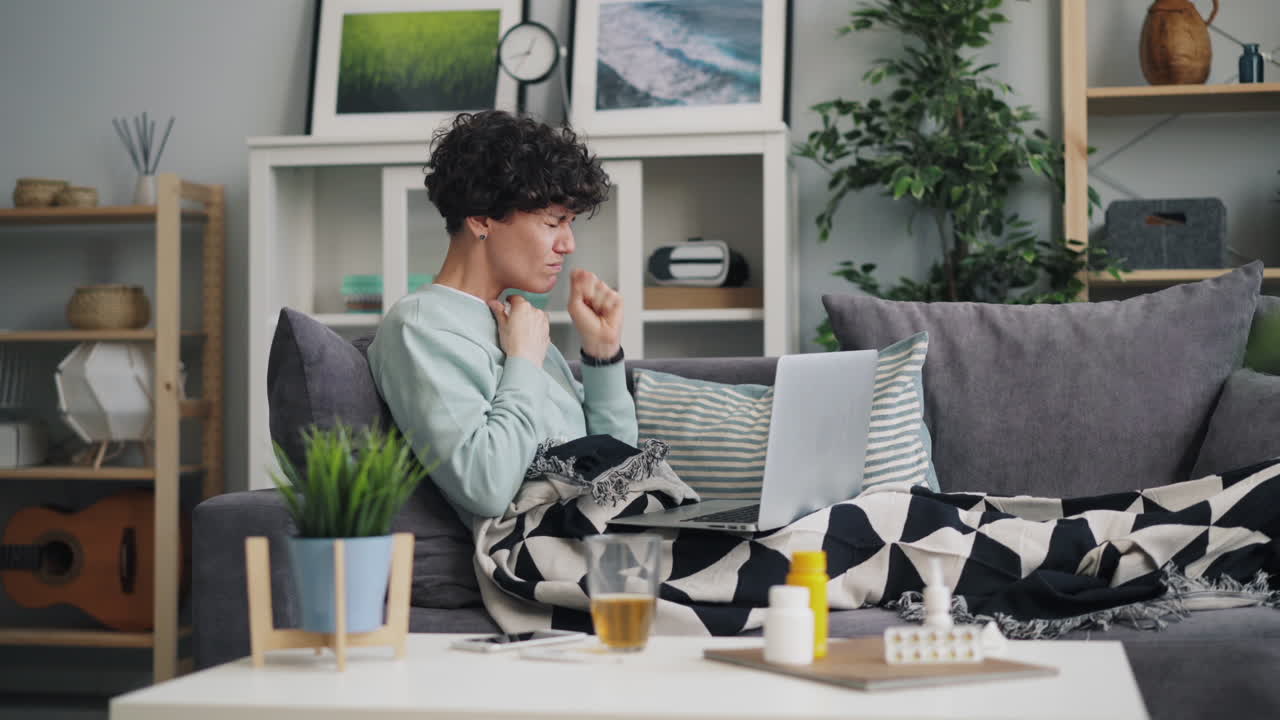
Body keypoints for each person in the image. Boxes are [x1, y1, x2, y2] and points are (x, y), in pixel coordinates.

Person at [368, 111, 637, 524]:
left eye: (570, 222)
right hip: (548, 557)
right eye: (553, 222)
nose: (568, 243)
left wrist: (602, 356)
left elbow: (615, 467)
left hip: (606, 529)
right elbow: (487, 487)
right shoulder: (420, 327)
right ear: (480, 219)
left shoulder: (515, 318)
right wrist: (524, 362)